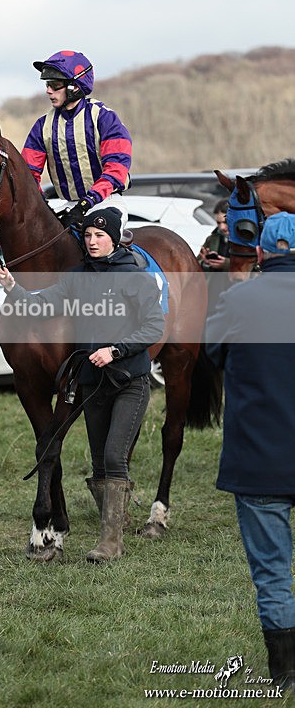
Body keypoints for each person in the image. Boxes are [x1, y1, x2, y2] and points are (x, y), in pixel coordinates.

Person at [0, 207, 165, 563]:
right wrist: (12, 288)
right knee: (100, 463)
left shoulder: (136, 276)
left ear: (115, 238)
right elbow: (39, 308)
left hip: (129, 379)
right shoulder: (74, 277)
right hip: (92, 384)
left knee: (116, 457)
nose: (92, 241)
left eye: (100, 236)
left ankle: (110, 544)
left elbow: (154, 328)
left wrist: (115, 350)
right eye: (87, 236)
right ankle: (111, 529)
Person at [205, 211, 295, 693]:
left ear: (261, 252)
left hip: (258, 460)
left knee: (272, 573)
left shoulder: (240, 300)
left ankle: (284, 673)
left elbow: (211, 352)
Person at [21, 50, 132, 232]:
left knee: (95, 238)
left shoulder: (105, 118)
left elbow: (116, 169)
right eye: (48, 84)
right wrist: (42, 207)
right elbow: (28, 174)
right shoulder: (42, 126)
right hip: (69, 206)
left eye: (55, 84)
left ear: (75, 86)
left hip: (105, 203)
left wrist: (85, 205)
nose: (48, 90)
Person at [197, 199, 231, 313]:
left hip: (234, 296)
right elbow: (197, 266)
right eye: (218, 223)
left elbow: (254, 267)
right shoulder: (212, 239)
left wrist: (226, 264)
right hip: (212, 298)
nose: (222, 227)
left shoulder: (247, 240)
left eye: (226, 222)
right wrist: (206, 262)